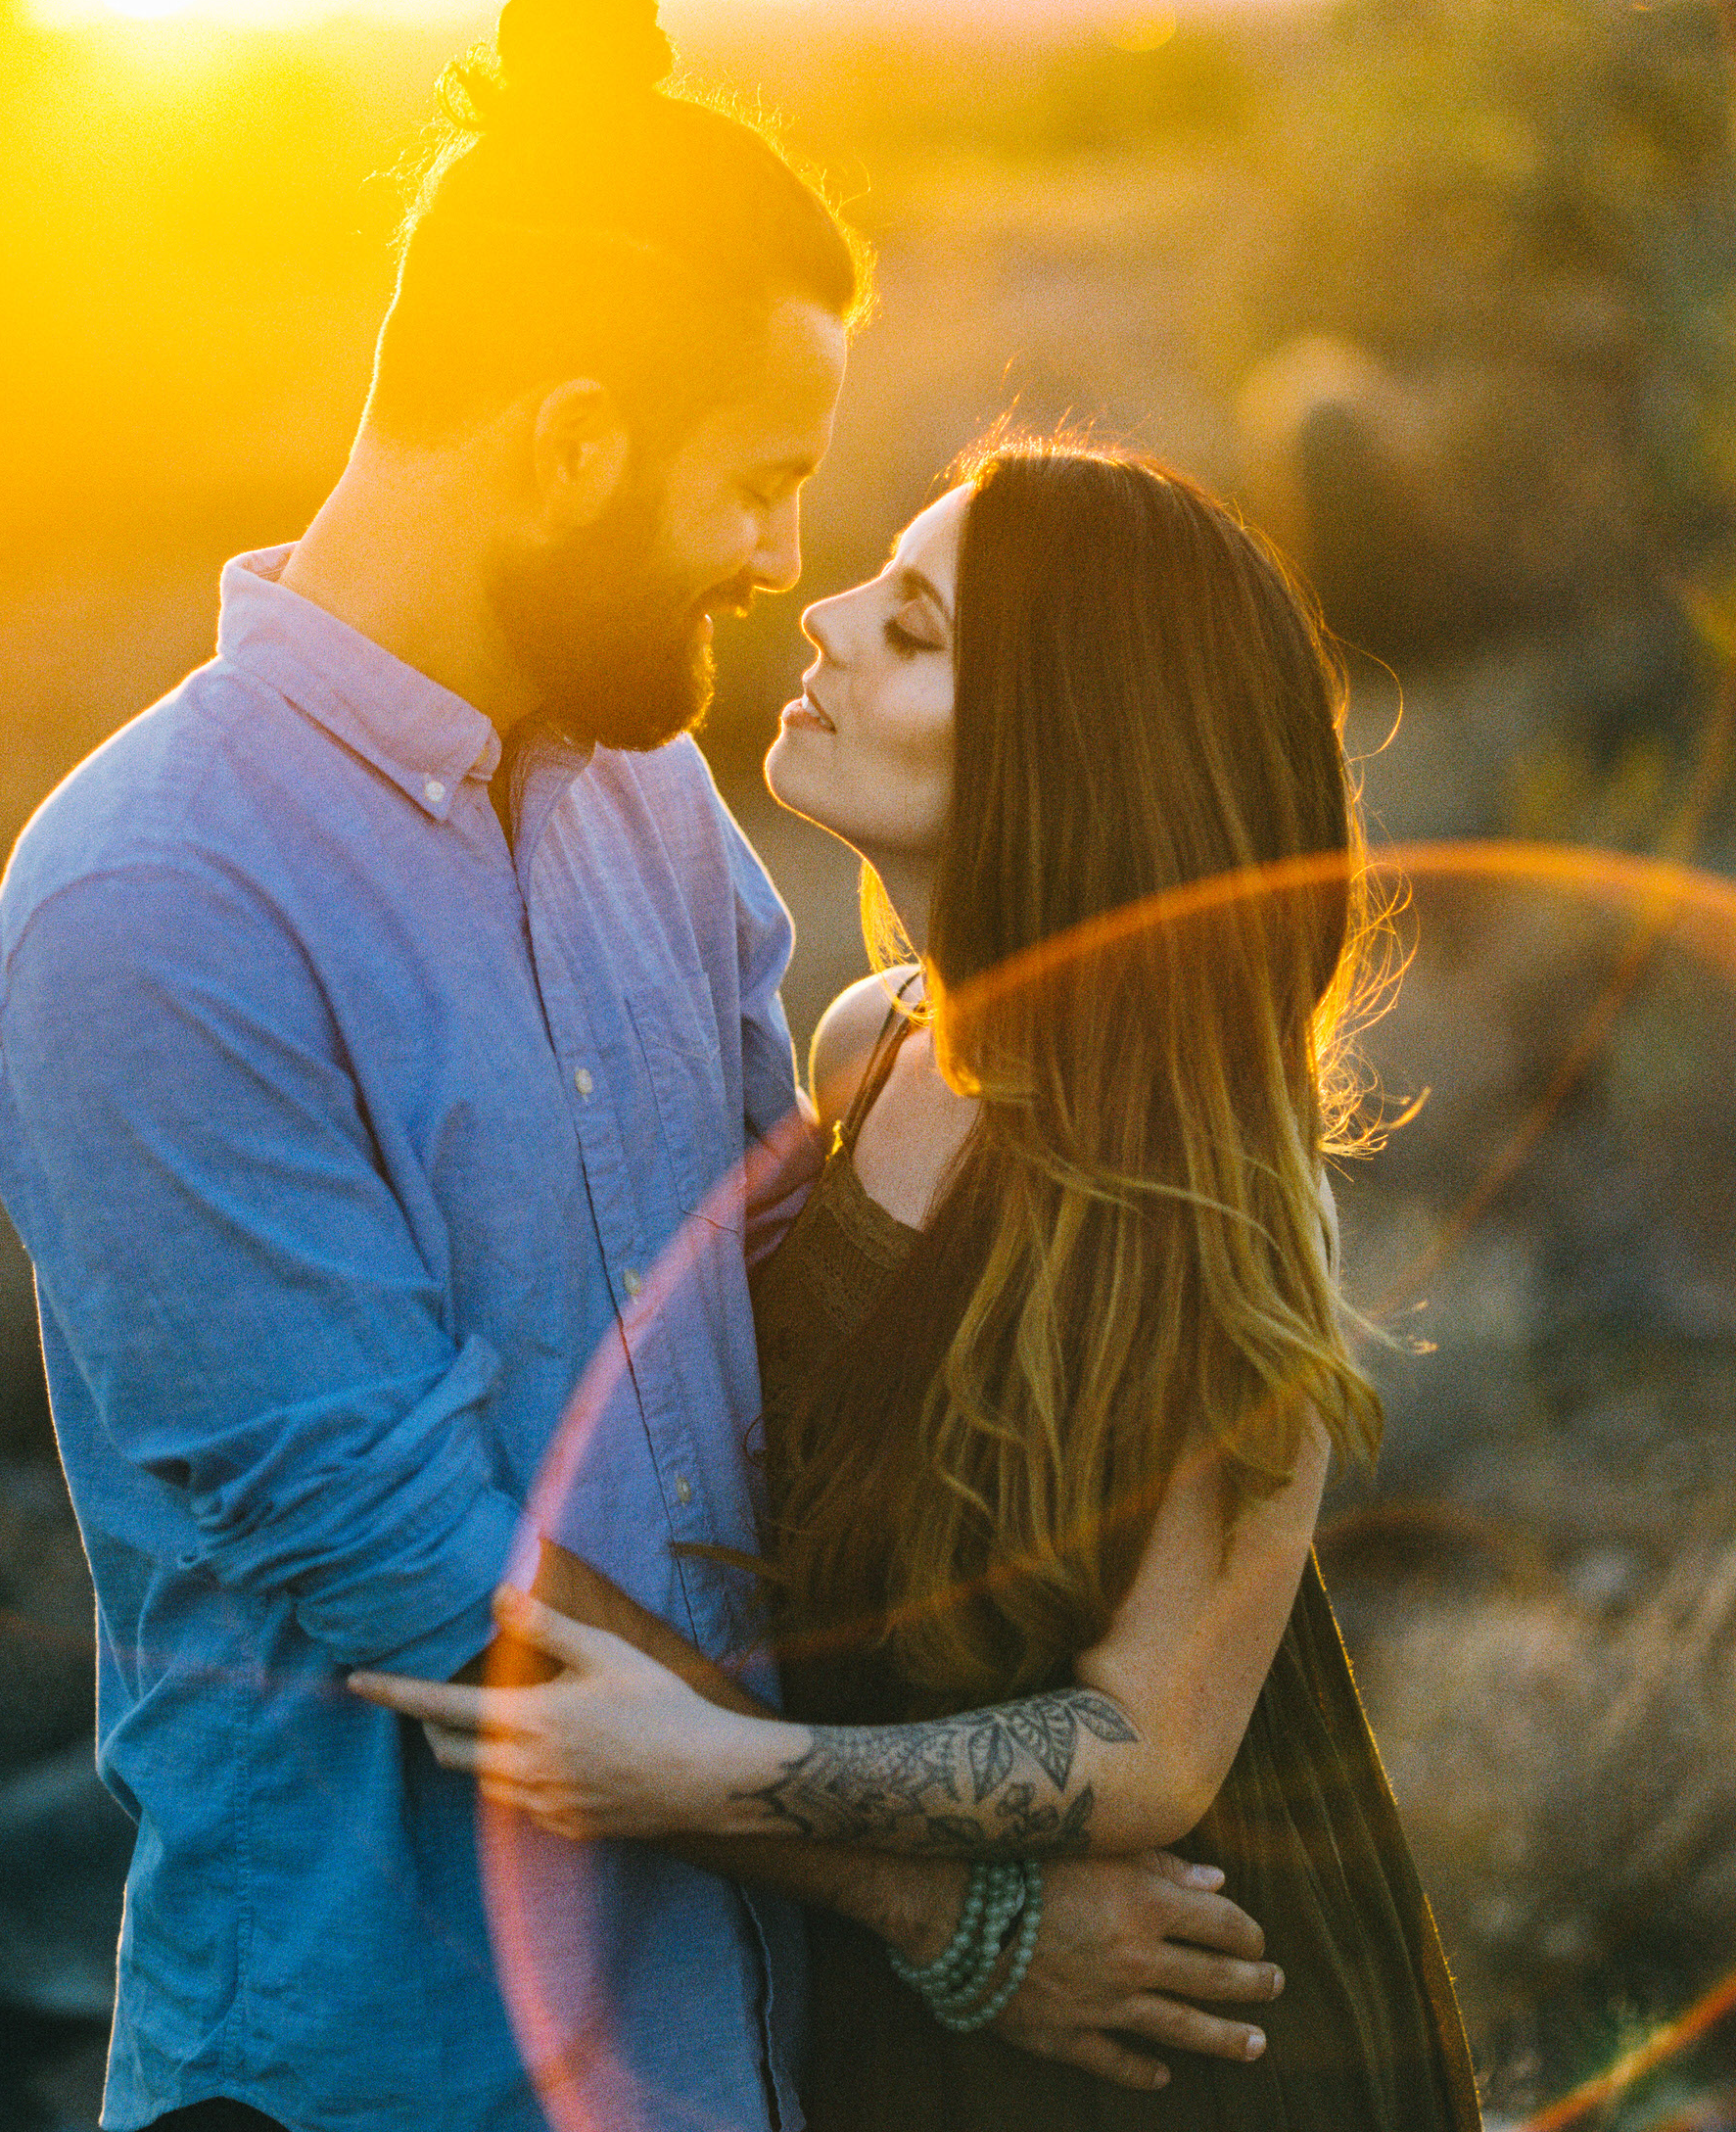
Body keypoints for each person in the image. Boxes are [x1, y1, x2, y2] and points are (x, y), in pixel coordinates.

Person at [0, 0, 1285, 2132]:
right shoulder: (156, 903)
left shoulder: (646, 800)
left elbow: (800, 1351)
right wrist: (944, 1910)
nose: (783, 564)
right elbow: (438, 1598)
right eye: (759, 485)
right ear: (575, 447)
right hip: (393, 2064)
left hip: (754, 2052)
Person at [362, 443, 1485, 2129]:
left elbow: (1154, 1741)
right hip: (913, 2010)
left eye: (912, 629)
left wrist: (718, 1770)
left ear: (1058, 752)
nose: (815, 618)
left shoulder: (1214, 1210)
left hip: (1177, 2029)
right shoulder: (867, 1048)